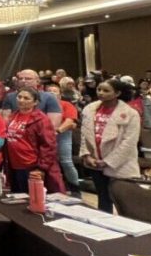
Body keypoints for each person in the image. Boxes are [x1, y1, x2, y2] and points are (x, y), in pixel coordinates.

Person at [80, 78, 142, 213]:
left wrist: (108, 161)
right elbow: (84, 135)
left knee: (124, 201)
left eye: (106, 91)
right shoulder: (90, 109)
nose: (101, 93)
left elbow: (129, 142)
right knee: (103, 198)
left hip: (120, 163)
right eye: (99, 90)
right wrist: (87, 155)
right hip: (95, 161)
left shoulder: (131, 113)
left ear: (117, 93)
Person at [4, 88, 63, 195]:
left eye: (26, 98)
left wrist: (41, 168)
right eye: (19, 97)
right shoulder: (13, 116)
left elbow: (49, 145)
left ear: (35, 102)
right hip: (14, 165)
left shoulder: (41, 119)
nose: (21, 100)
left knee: (33, 198)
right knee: (18, 198)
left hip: (31, 166)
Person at [46, 82, 81, 197]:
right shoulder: (43, 105)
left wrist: (57, 131)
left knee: (66, 162)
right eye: (49, 91)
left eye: (54, 91)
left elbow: (70, 121)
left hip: (62, 135)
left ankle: (75, 189)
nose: (51, 93)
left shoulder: (66, 105)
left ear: (60, 95)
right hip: (46, 136)